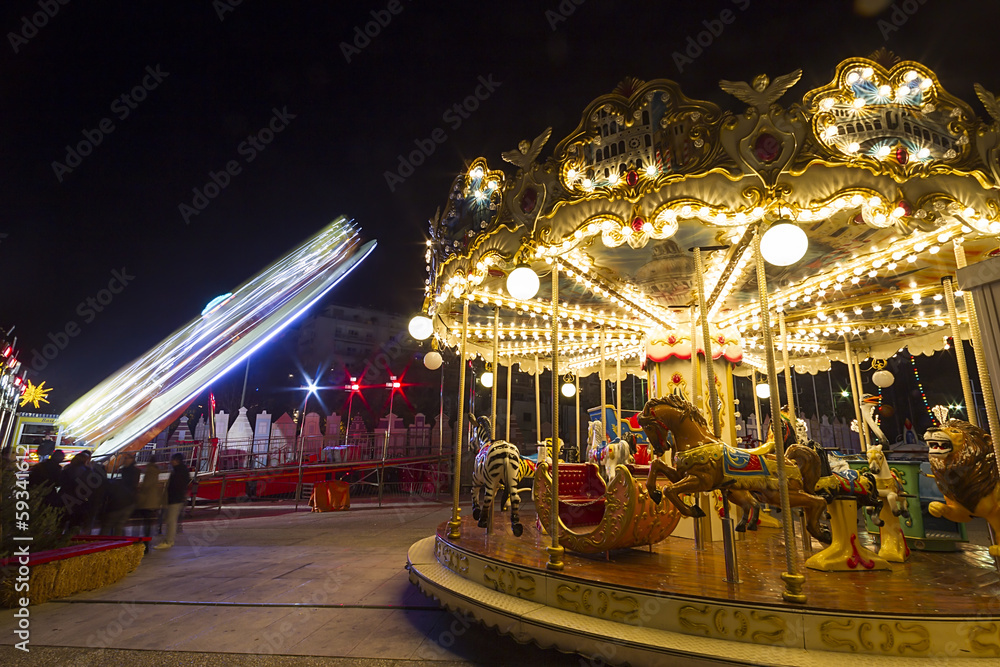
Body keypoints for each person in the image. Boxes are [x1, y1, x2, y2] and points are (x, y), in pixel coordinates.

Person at [155, 453, 190, 550]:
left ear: (177, 460)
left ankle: (169, 541)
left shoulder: (178, 472)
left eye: (173, 460)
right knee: (170, 520)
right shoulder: (181, 470)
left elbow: (176, 486)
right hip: (176, 498)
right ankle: (168, 540)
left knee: (171, 521)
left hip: (175, 499)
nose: (171, 461)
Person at [100, 453, 139, 535]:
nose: (124, 460)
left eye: (126, 458)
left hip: (124, 500)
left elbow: (131, 485)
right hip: (126, 500)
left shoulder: (131, 471)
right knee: (119, 525)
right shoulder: (126, 470)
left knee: (112, 524)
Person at [135, 455, 164, 552]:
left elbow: (146, 486)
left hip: (146, 501)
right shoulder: (155, 471)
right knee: (148, 523)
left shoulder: (150, 471)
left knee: (143, 523)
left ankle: (144, 544)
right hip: (152, 501)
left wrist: (140, 491)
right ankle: (146, 543)